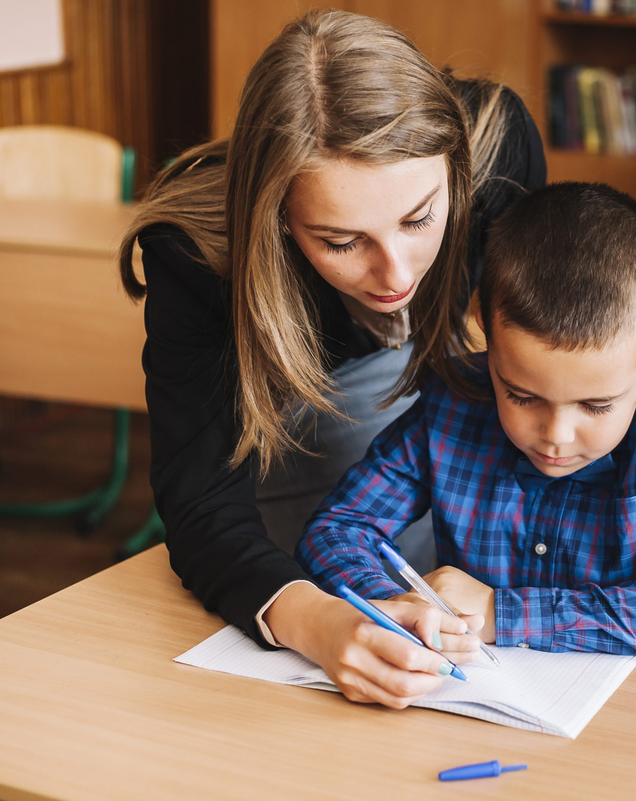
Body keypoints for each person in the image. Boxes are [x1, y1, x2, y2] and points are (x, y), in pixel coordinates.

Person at [116, 9, 545, 708]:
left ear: (456, 169)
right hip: (287, 455)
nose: (396, 273)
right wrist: (316, 620)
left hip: (435, 437)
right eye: (341, 241)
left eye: (418, 218)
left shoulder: (500, 148)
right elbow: (201, 504)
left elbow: (531, 362)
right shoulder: (197, 256)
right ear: (276, 214)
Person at [295, 182, 636, 660]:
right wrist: (397, 605)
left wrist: (501, 612)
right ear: (484, 327)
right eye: (522, 396)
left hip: (634, 716)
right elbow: (337, 530)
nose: (556, 435)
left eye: (596, 406)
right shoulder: (456, 400)